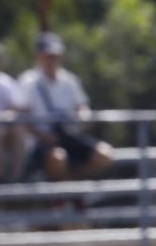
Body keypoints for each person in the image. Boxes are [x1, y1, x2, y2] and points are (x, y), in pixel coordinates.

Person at [20, 32, 114, 181]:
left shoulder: (70, 80)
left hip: (70, 136)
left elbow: (82, 106)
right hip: (42, 143)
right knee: (58, 158)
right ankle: (66, 197)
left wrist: (84, 118)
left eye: (55, 55)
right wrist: (44, 137)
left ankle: (73, 188)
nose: (52, 60)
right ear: (38, 56)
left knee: (105, 155)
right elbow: (22, 117)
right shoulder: (28, 81)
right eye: (48, 55)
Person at [0, 40, 27, 182]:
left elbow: (19, 109)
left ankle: (15, 179)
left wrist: (8, 114)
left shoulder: (7, 83)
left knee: (18, 129)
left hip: (4, 132)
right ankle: (0, 179)